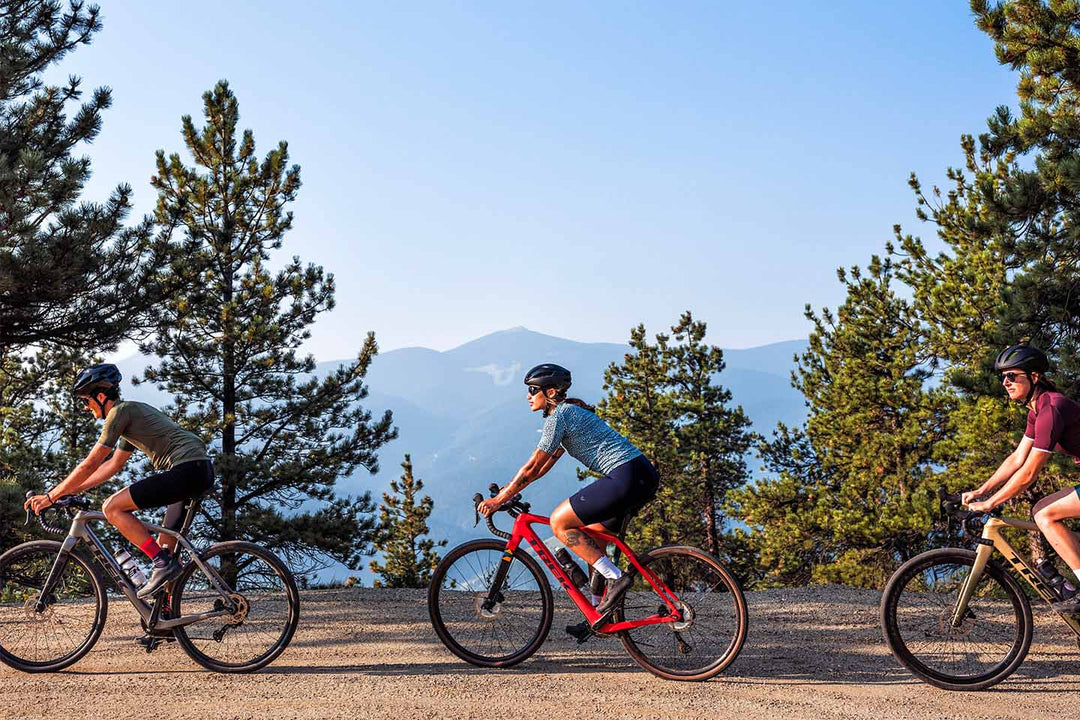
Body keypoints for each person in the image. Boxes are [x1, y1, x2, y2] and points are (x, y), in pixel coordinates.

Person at [478, 363, 659, 630]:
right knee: (590, 538)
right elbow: (541, 468)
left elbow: (531, 467)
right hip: (639, 474)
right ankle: (599, 613)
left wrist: (499, 499)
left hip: (626, 475)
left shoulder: (560, 416)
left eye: (532, 390)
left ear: (550, 391)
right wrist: (508, 491)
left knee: (559, 523)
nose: (528, 396)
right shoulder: (569, 415)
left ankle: (617, 578)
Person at [24, 363, 214, 602]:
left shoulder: (118, 414)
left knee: (112, 507)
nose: (85, 407)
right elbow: (111, 467)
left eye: (86, 401)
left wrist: (50, 497)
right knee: (166, 546)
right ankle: (164, 618)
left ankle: (161, 563)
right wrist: (68, 491)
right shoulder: (131, 414)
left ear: (101, 396)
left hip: (186, 469)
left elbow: (90, 464)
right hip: (197, 470)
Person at [962, 342, 1080, 614]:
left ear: (1034, 377)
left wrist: (990, 503)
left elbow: (1028, 473)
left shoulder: (1052, 409)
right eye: (1002, 377)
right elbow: (1016, 459)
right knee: (1041, 510)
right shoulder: (1036, 411)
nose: (1005, 382)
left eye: (1012, 376)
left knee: (1045, 515)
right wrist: (981, 490)